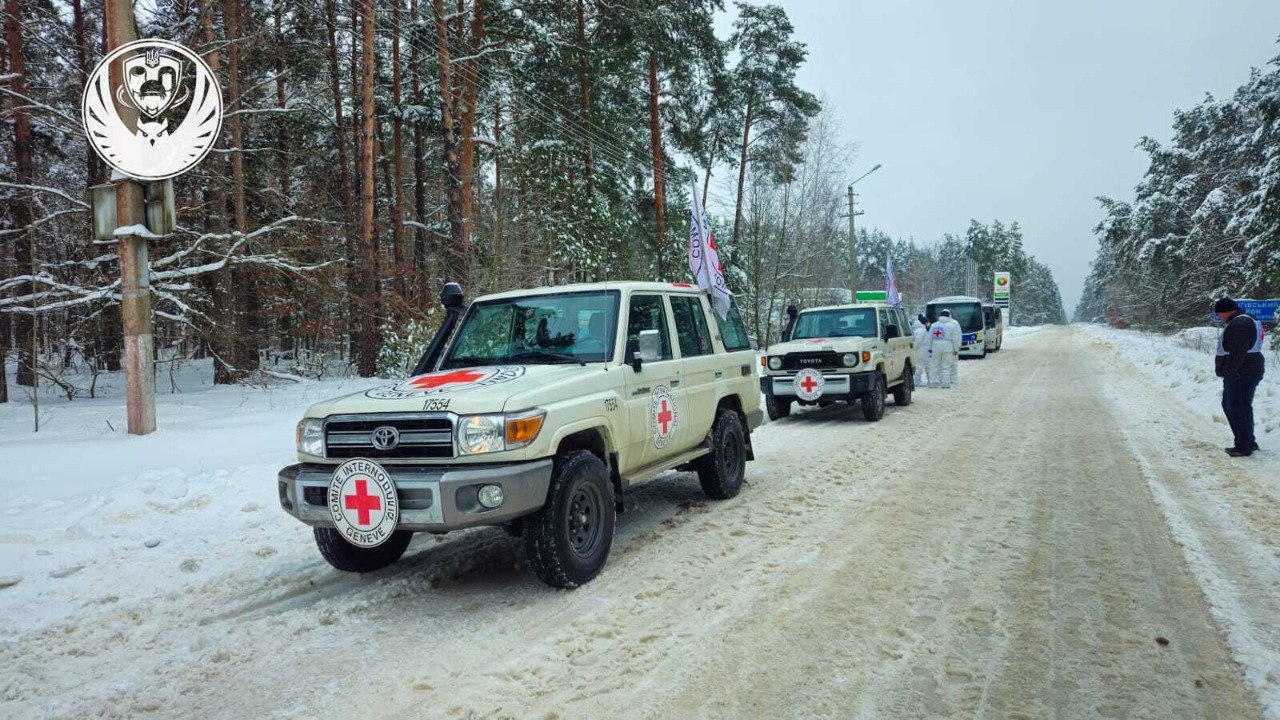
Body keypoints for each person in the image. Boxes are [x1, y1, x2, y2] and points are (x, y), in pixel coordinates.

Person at [1214, 298, 1265, 457]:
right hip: (1247, 370)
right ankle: (1248, 441)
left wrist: (1230, 373)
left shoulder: (1240, 324)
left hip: (1242, 372)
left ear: (1226, 311)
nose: (1219, 317)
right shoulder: (1245, 320)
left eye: (1219, 314)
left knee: (1236, 407)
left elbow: (1238, 352)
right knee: (1239, 406)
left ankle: (1243, 446)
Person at [925, 311, 958, 388]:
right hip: (948, 347)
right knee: (946, 366)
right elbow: (955, 339)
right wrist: (955, 349)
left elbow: (929, 338)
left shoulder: (934, 325)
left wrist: (929, 348)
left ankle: (932, 383)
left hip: (935, 346)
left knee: (934, 365)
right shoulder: (952, 325)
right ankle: (945, 383)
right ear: (948, 316)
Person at [941, 310, 963, 386]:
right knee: (949, 364)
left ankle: (951, 379)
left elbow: (958, 335)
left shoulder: (954, 323)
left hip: (949, 346)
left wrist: (957, 346)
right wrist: (957, 347)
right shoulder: (953, 323)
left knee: (951, 364)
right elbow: (958, 336)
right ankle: (950, 379)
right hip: (950, 347)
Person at [911, 314, 930, 387]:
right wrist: (914, 350)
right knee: (919, 366)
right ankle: (917, 381)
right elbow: (917, 342)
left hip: (922, 350)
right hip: (920, 351)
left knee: (923, 365)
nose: (928, 324)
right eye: (927, 322)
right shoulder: (920, 330)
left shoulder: (921, 329)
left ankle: (919, 380)